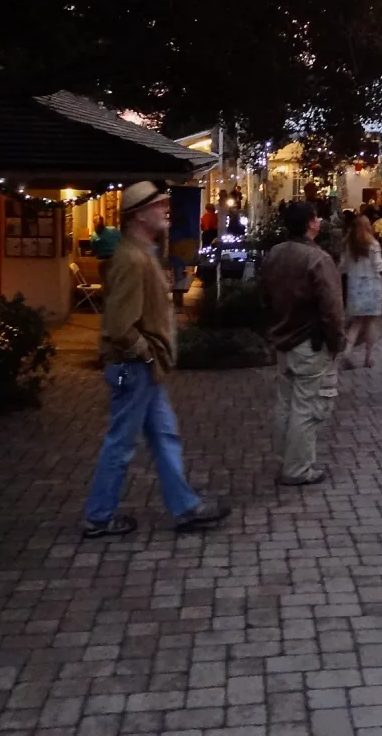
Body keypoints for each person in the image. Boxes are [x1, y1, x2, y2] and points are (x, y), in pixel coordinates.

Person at [82, 182, 230, 538]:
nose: (166, 209)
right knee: (122, 443)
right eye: (158, 205)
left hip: (144, 369)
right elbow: (120, 325)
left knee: (164, 437)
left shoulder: (141, 253)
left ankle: (185, 507)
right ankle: (98, 517)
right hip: (135, 368)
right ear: (137, 216)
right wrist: (147, 354)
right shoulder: (132, 258)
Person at [259, 201, 346, 486]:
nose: (319, 221)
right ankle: (298, 468)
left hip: (284, 338)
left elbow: (265, 296)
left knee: (286, 403)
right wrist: (337, 341)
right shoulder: (317, 259)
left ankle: (286, 460)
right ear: (310, 223)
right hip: (310, 341)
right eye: (316, 218)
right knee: (307, 406)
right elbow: (331, 308)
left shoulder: (275, 254)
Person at [340, 214, 382, 369]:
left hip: (355, 285)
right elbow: (378, 266)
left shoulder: (349, 244)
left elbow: (343, 266)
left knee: (356, 323)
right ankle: (368, 357)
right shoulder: (373, 244)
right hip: (372, 284)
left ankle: (347, 352)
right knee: (371, 321)